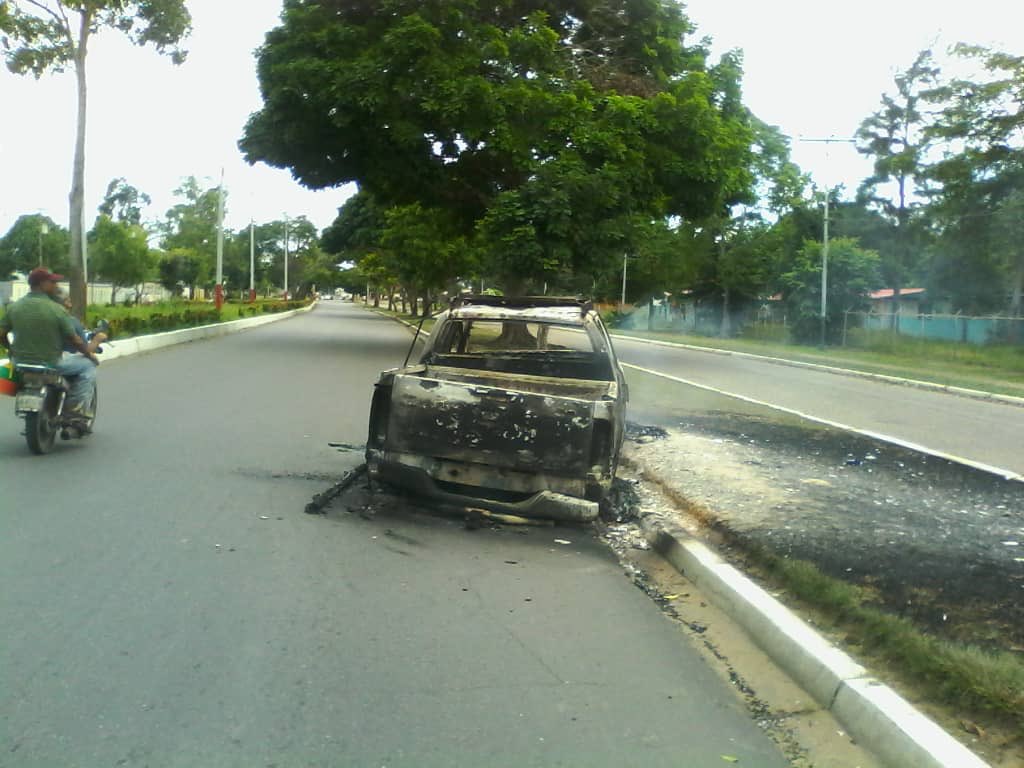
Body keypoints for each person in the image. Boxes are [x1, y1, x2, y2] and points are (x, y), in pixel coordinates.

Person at [0, 268, 100, 418]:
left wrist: (10, 349)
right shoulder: (57, 310)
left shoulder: (14, 307)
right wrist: (89, 355)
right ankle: (75, 411)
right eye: (52, 282)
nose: (55, 285)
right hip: (51, 363)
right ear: (42, 284)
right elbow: (75, 339)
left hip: (19, 363)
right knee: (88, 367)